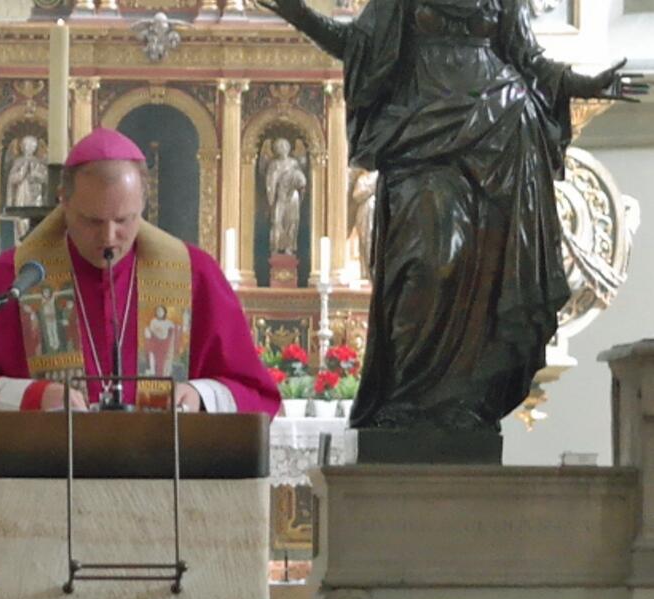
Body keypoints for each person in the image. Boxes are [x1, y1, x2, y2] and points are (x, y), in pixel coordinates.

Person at [259, 0, 635, 434]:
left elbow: (529, 60)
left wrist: (583, 82)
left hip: (501, 137)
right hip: (422, 134)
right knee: (427, 263)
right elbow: (357, 45)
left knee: (484, 281)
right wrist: (300, 15)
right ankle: (405, 399)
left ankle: (460, 403)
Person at [0, 128, 279, 471]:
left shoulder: (193, 276)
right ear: (64, 202)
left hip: (166, 498)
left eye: (124, 219)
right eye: (91, 221)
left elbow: (255, 392)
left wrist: (198, 397)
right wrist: (34, 398)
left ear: (143, 203)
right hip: (46, 498)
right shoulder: (16, 279)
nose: (109, 237)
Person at [264, 137, 306, 257]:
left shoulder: (294, 163)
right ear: (276, 150)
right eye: (279, 146)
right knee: (277, 222)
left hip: (292, 197)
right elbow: (269, 182)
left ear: (288, 148)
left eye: (284, 146)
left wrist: (298, 180)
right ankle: (276, 248)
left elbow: (301, 179)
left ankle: (289, 247)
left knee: (292, 221)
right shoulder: (274, 164)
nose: (282, 149)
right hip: (279, 196)